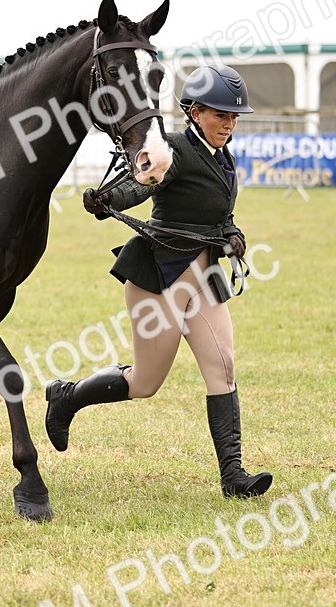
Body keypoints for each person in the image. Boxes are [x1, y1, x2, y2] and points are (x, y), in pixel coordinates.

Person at [45, 64, 273, 499]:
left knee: (222, 368)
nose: (230, 124)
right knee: (146, 383)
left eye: (234, 117)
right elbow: (142, 183)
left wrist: (232, 233)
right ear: (194, 112)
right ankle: (67, 397)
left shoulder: (223, 158)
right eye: (221, 115)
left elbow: (219, 213)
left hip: (204, 278)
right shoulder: (173, 149)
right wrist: (109, 198)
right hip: (160, 278)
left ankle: (234, 476)